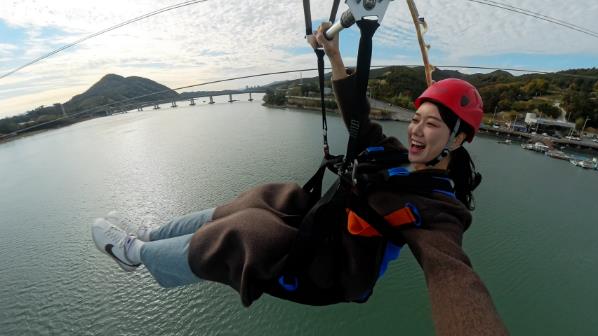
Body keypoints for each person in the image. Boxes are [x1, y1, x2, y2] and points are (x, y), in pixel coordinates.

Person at [92, 23, 508, 335]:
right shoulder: (396, 157)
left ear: (460, 137)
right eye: (416, 119)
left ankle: (137, 254)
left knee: (246, 232)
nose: (416, 130)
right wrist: (336, 58)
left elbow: (454, 276)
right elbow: (360, 123)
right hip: (321, 228)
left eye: (432, 125)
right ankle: (151, 234)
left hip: (328, 271)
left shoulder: (440, 211)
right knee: (269, 196)